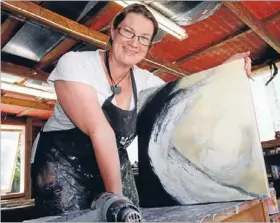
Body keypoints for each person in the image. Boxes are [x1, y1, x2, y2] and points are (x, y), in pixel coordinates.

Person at [30, 3, 252, 216]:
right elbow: (101, 130)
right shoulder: (76, 65)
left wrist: (224, 74)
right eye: (128, 32)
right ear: (113, 32)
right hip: (62, 165)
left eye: (144, 38)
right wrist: (117, 203)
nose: (134, 43)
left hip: (113, 161)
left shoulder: (147, 84)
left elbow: (186, 103)